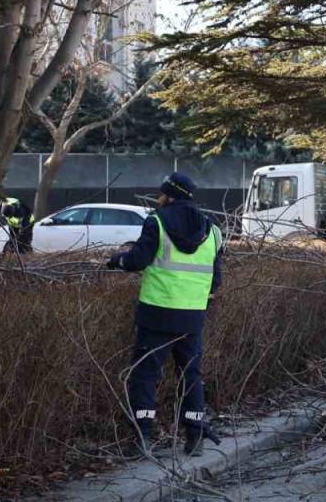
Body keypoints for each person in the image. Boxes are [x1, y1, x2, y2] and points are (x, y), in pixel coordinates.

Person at [106, 173, 222, 457]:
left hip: (157, 313)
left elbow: (137, 261)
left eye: (162, 193)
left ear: (169, 195)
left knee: (145, 375)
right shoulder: (214, 231)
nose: (159, 197)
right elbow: (215, 281)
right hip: (192, 316)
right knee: (191, 375)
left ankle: (143, 437)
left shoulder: (156, 221)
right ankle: (194, 437)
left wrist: (116, 259)